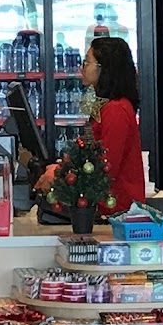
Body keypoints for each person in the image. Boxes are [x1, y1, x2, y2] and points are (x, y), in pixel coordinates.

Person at [37, 34, 147, 214]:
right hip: (102, 206)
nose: (82, 68)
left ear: (104, 69)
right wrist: (62, 168)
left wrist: (60, 173)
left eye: (87, 62)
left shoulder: (116, 109)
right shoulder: (105, 105)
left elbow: (106, 166)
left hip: (115, 210)